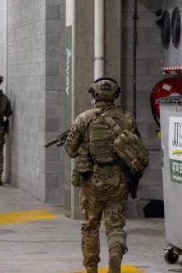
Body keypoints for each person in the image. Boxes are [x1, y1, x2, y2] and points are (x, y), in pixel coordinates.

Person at [64, 77, 142, 273]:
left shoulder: (83, 118)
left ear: (94, 94)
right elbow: (135, 147)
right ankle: (115, 255)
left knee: (90, 227)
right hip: (118, 182)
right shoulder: (126, 118)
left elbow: (70, 150)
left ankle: (91, 269)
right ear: (115, 95)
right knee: (115, 227)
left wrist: (83, 145)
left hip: (92, 181)